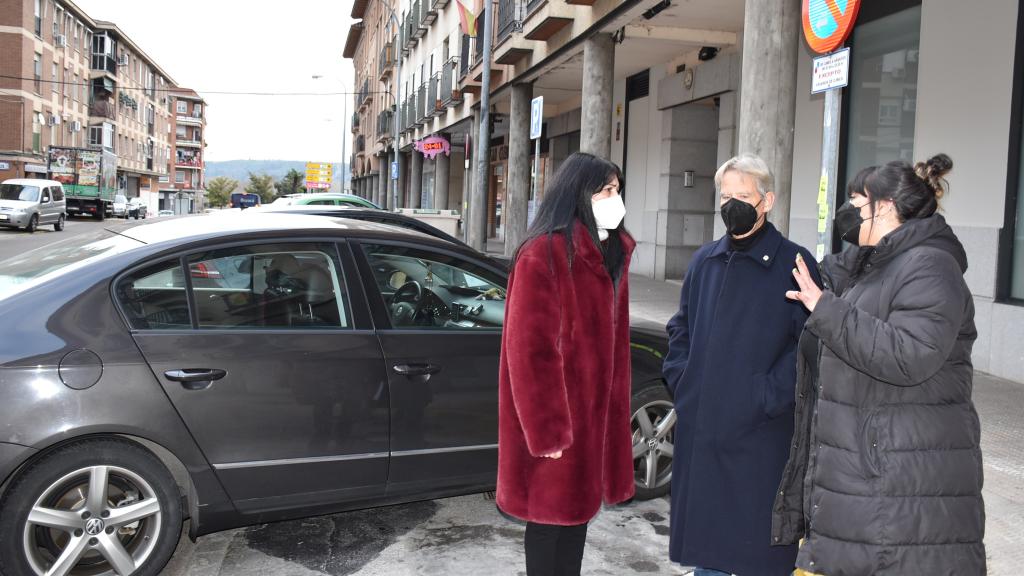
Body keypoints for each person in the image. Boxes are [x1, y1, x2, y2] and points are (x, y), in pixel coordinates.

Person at [775, 154, 986, 575]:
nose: (847, 214)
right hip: (866, 481)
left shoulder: (930, 266)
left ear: (884, 206)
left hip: (900, 484)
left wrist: (827, 309)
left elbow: (910, 355)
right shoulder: (873, 267)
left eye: (856, 203)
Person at [663, 154, 818, 576]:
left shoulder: (795, 264)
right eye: (725, 195)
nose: (732, 204)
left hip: (760, 439)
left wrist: (765, 395)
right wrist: (684, 380)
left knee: (757, 555)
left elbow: (810, 345)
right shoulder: (704, 261)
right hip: (705, 435)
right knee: (709, 558)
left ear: (766, 201)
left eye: (742, 196)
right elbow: (681, 329)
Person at [496, 152, 636, 576]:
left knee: (576, 521)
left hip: (592, 423)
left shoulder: (609, 256)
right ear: (579, 195)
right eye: (606, 190)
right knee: (548, 523)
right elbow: (530, 350)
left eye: (617, 190)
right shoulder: (544, 253)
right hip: (557, 427)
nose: (616, 199)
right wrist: (549, 430)